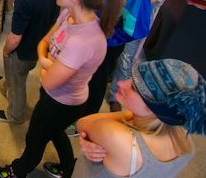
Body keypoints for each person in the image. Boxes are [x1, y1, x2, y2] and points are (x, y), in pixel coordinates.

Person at [0, 0, 125, 178]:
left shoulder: (84, 41)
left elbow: (48, 81)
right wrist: (50, 63)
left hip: (61, 102)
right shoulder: (68, 15)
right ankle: (68, 168)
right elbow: (44, 41)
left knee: (35, 139)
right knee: (54, 132)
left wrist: (47, 64)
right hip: (56, 96)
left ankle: (17, 170)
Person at [73, 58, 204, 177]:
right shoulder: (187, 147)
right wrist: (138, 115)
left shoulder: (114, 134)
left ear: (154, 109)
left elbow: (83, 123)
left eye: (134, 88)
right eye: (131, 78)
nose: (121, 83)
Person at [0, 0, 59, 124]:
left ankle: (15, 115)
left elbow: (15, 37)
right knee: (16, 77)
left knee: (18, 84)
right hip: (38, 51)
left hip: (21, 53)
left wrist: (5, 51)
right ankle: (6, 84)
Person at [108, 0, 173, 112]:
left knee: (125, 61)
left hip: (134, 30)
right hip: (119, 23)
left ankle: (114, 97)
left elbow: (142, 2)